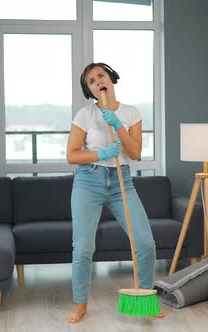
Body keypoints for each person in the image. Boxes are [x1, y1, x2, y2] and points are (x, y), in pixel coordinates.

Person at [65, 63, 164, 323]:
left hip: (122, 182)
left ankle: (146, 299)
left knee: (145, 243)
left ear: (111, 79)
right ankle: (80, 304)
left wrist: (117, 122)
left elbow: (134, 153)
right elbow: (72, 155)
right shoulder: (85, 115)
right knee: (83, 247)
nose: (98, 81)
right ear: (89, 90)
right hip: (88, 181)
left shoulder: (132, 113)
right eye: (91, 81)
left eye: (101, 76)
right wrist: (100, 154)